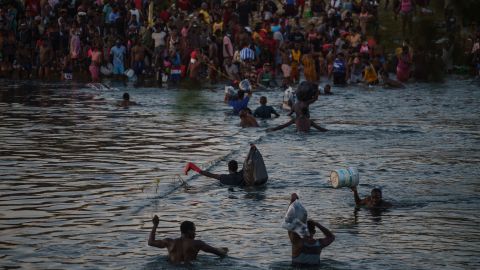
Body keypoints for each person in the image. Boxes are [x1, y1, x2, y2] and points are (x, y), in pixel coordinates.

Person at [148, 215, 228, 264]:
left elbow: (151, 242)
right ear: (189, 231)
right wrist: (224, 251)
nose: (195, 233)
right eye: (194, 230)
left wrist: (155, 225)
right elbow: (218, 253)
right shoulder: (197, 243)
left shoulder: (169, 242)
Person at [288, 194, 335, 267]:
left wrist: (292, 203)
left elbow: (289, 224)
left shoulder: (297, 243)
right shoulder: (319, 244)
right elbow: (331, 237)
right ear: (314, 232)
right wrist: (317, 224)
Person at [184, 144, 259, 186]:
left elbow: (208, 174)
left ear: (228, 168)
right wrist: (252, 150)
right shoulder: (242, 174)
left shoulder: (224, 177)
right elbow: (248, 163)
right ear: (237, 168)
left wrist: (192, 166)